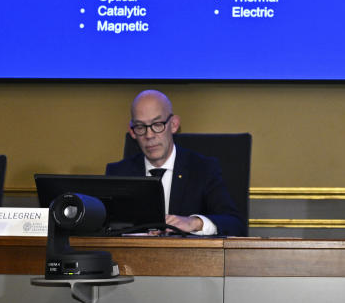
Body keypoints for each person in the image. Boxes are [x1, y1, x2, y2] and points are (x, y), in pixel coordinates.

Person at [105, 90, 245, 236]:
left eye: (157, 124)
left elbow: (235, 225)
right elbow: (104, 230)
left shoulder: (203, 169)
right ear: (132, 131)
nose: (149, 135)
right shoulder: (118, 173)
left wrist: (194, 223)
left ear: (174, 124)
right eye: (140, 127)